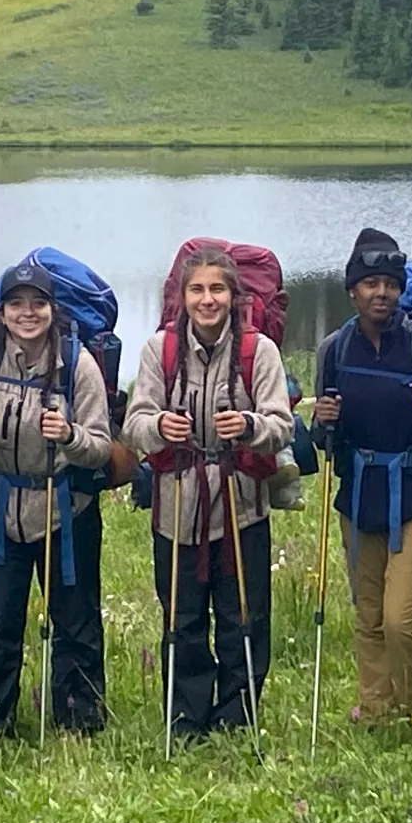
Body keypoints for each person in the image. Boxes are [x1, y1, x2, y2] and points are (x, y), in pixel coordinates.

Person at [122, 246, 295, 739]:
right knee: (183, 614)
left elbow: (282, 425)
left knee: (243, 615)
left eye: (217, 289)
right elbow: (134, 423)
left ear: (234, 295)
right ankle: (187, 718)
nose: (207, 300)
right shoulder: (160, 350)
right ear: (182, 297)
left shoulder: (259, 351)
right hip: (177, 506)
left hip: (242, 506)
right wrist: (160, 425)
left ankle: (237, 717)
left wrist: (248, 425)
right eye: (197, 290)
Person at [312, 227, 412, 739]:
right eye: (370, 284)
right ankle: (378, 710)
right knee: (367, 615)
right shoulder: (334, 350)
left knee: (400, 619)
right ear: (352, 290)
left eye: (390, 284)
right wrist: (324, 423)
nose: (381, 293)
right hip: (358, 499)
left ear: (402, 290)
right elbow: (324, 440)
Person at [0, 261, 115, 737]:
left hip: (67, 511)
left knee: (75, 620)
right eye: (16, 304)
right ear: (0, 313)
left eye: (37, 303)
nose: (27, 313)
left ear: (53, 310)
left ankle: (79, 718)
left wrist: (70, 436)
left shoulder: (78, 364)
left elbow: (101, 446)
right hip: (0, 511)